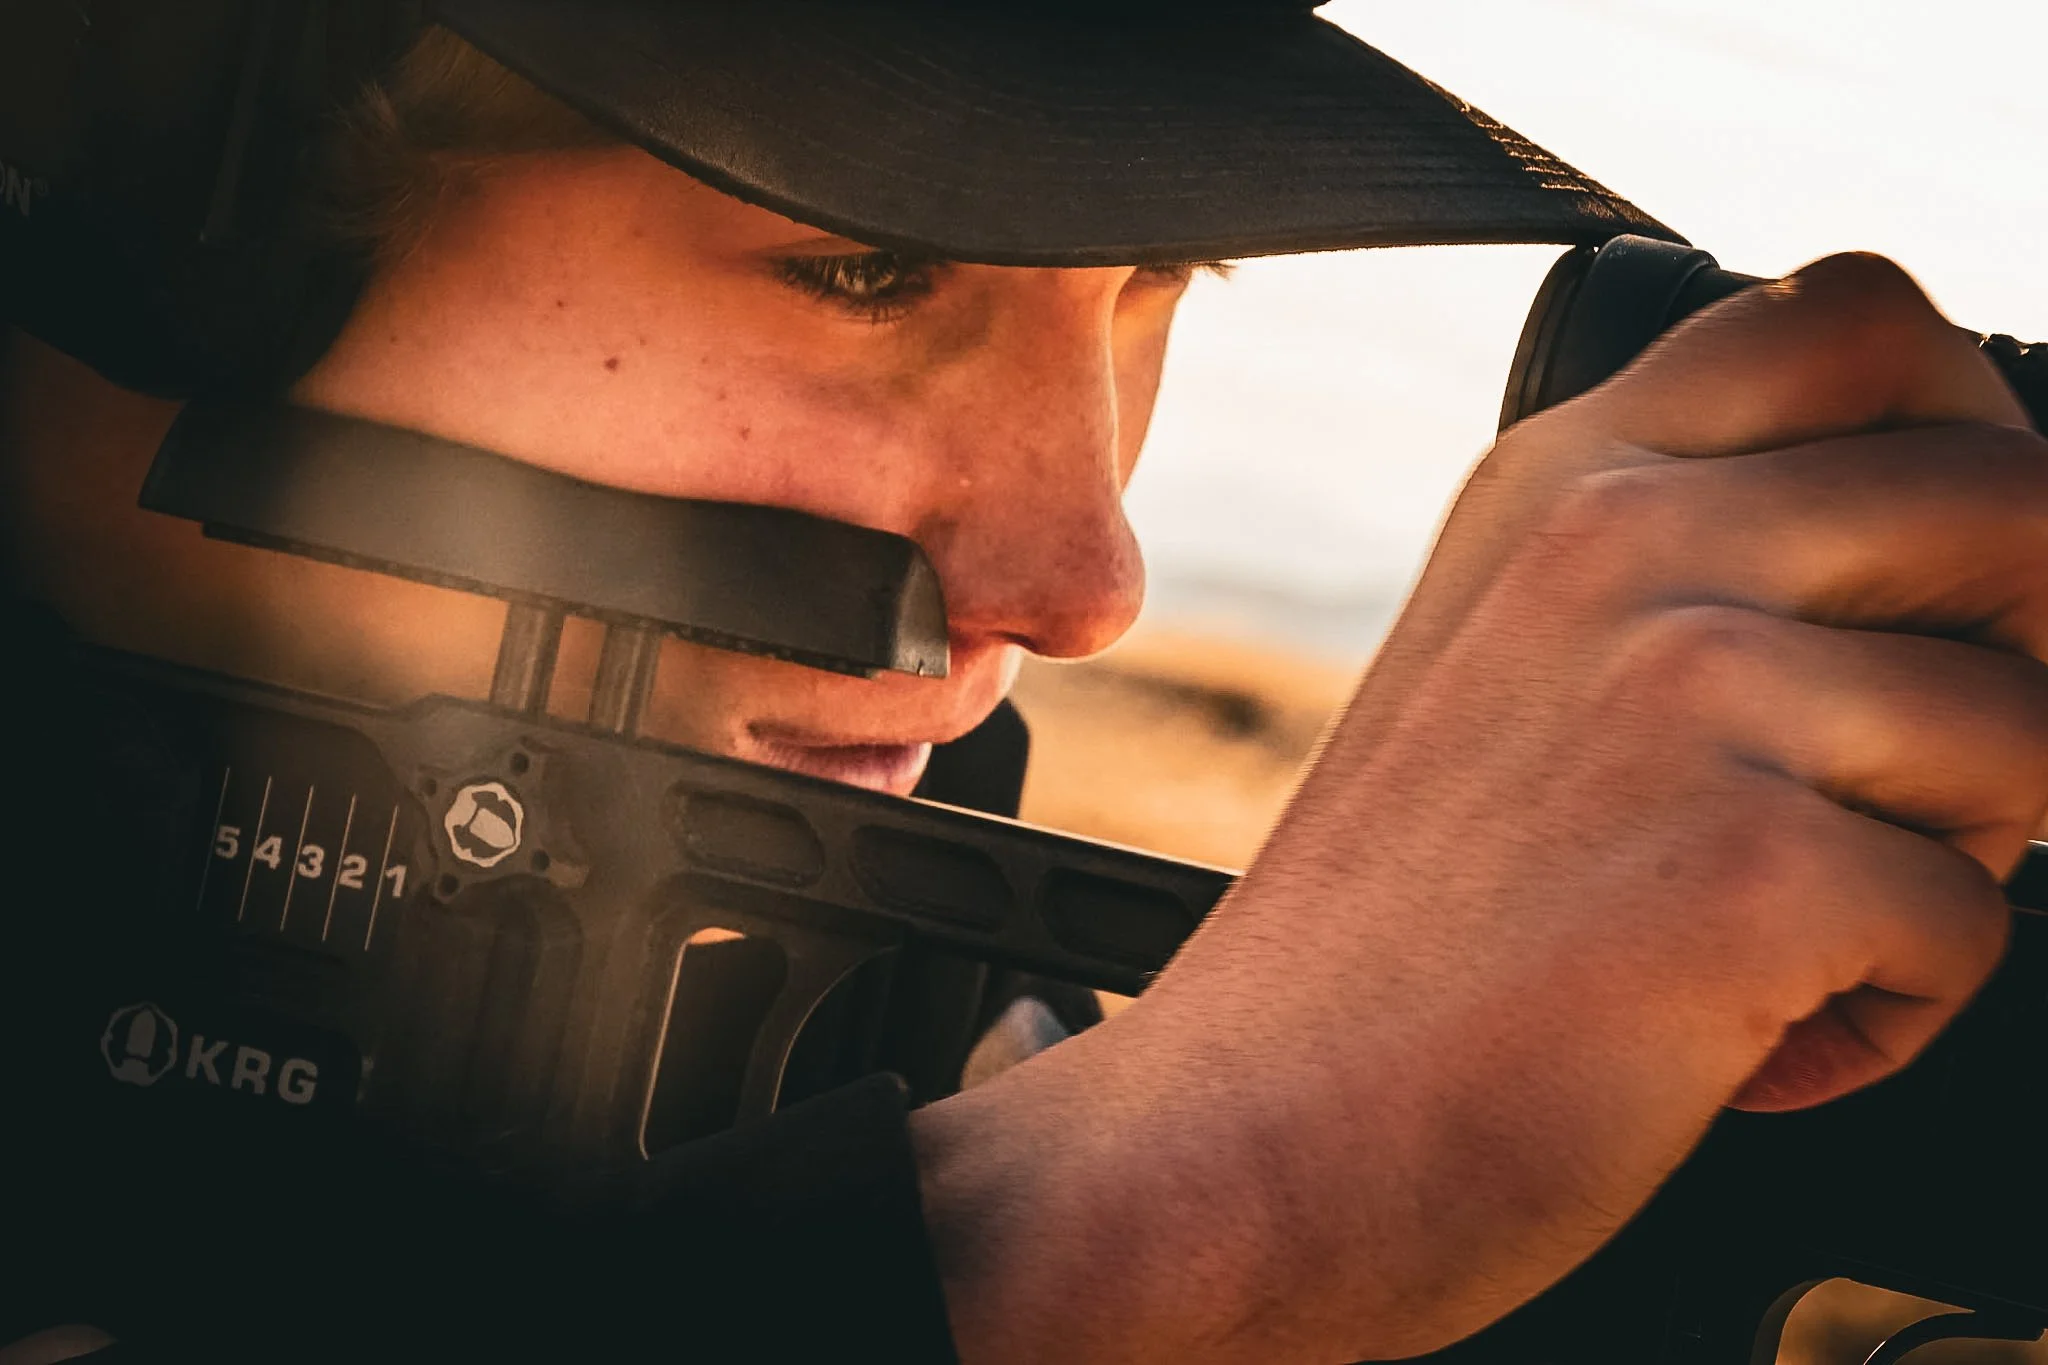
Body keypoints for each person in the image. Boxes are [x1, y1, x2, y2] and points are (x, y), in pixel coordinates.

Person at [5, 3, 2047, 1363]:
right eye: (866, 267)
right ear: (152, 210)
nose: (1081, 581)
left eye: (1158, 285)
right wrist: (1150, 1216)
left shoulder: (877, 1007)